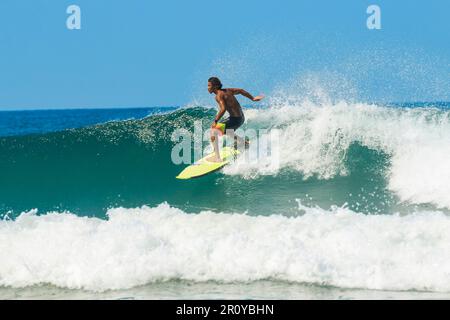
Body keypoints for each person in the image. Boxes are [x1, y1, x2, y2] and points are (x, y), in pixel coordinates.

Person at [207, 76, 264, 162]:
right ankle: (244, 143)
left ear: (215, 86)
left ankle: (217, 158)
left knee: (213, 131)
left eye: (209, 85)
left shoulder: (218, 96)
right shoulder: (228, 90)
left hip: (235, 120)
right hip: (240, 118)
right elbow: (241, 90)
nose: (207, 88)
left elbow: (223, 109)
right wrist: (252, 98)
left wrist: (215, 121)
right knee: (226, 130)